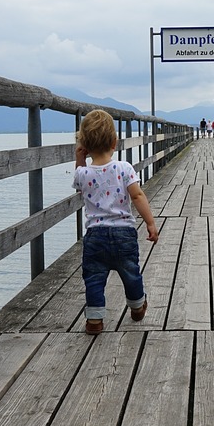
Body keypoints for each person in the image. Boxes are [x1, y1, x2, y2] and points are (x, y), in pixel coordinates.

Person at [73, 109, 159, 334]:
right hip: (124, 233)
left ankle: (94, 320)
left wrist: (80, 158)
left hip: (95, 236)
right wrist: (150, 223)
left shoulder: (83, 173)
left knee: (93, 277)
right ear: (114, 142)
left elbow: (78, 180)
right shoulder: (124, 168)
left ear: (85, 145)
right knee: (131, 272)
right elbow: (137, 196)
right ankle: (137, 306)